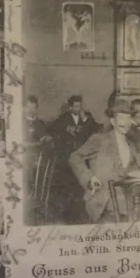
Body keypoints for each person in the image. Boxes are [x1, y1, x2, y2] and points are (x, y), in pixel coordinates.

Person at [68, 98, 139, 223]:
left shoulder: (132, 145)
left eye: (128, 118)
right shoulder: (99, 140)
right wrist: (90, 178)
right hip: (104, 204)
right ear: (112, 121)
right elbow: (74, 157)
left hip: (127, 203)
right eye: (122, 118)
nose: (126, 123)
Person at [52, 94, 101, 223]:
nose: (78, 109)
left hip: (84, 157)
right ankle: (71, 213)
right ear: (70, 107)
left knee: (84, 184)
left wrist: (85, 119)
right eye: (76, 106)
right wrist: (66, 130)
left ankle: (85, 211)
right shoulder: (63, 119)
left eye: (80, 106)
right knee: (71, 187)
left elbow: (96, 129)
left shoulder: (85, 117)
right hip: (68, 157)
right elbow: (54, 130)